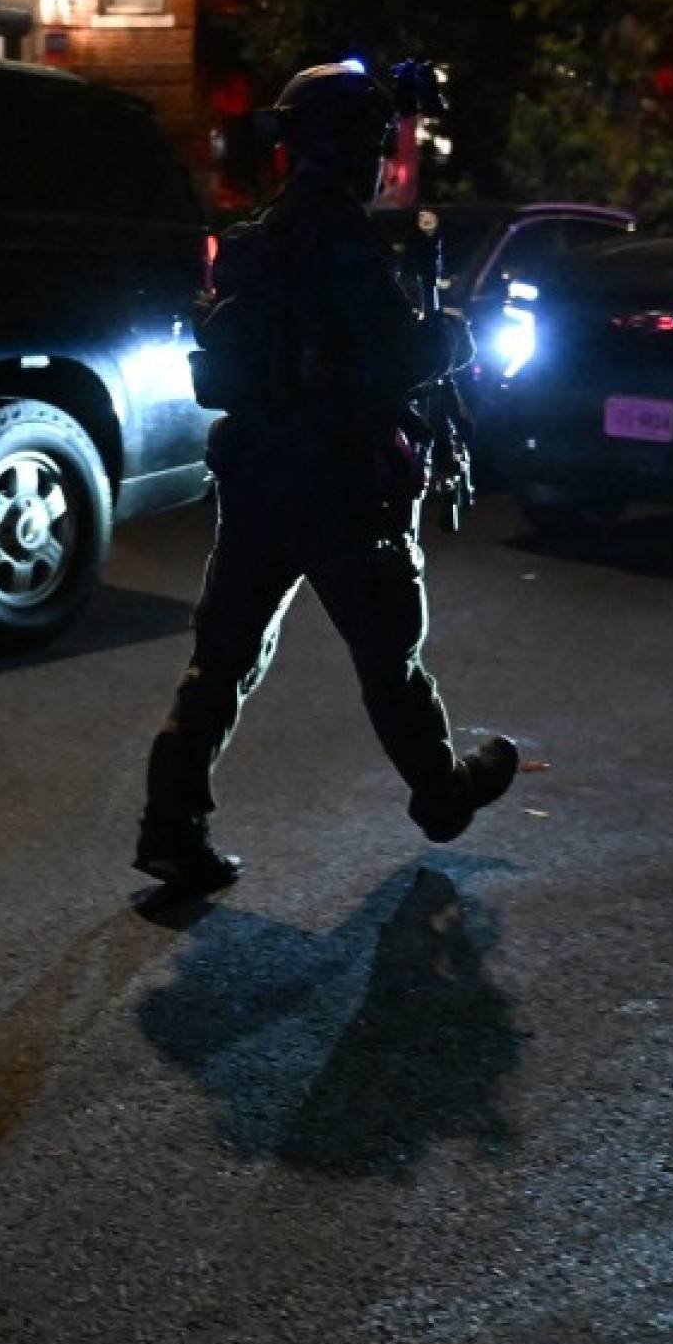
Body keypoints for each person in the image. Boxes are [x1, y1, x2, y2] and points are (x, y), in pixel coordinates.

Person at [132, 61, 521, 894]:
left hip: (260, 476)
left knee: (223, 656)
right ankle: (442, 794)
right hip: (345, 481)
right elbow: (394, 359)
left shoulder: (257, 239)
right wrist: (453, 335)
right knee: (390, 657)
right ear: (360, 150)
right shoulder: (347, 244)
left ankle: (171, 825)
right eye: (382, 142)